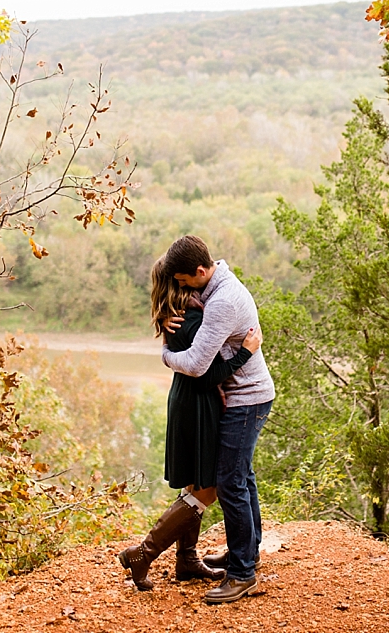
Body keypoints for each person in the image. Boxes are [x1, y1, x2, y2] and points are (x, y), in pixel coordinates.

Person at [117, 256, 262, 591]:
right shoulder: (190, 317)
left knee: (195, 483)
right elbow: (205, 375)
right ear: (178, 281)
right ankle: (143, 554)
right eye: (181, 278)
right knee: (207, 489)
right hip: (199, 404)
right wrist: (245, 353)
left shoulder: (177, 315)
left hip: (188, 401)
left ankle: (186, 559)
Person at [161, 235, 275, 605]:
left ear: (199, 270)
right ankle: (247, 553)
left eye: (182, 280)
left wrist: (165, 354)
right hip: (243, 397)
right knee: (242, 478)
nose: (180, 286)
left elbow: (195, 365)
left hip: (246, 399)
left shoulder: (223, 299)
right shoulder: (216, 284)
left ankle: (243, 574)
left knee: (228, 483)